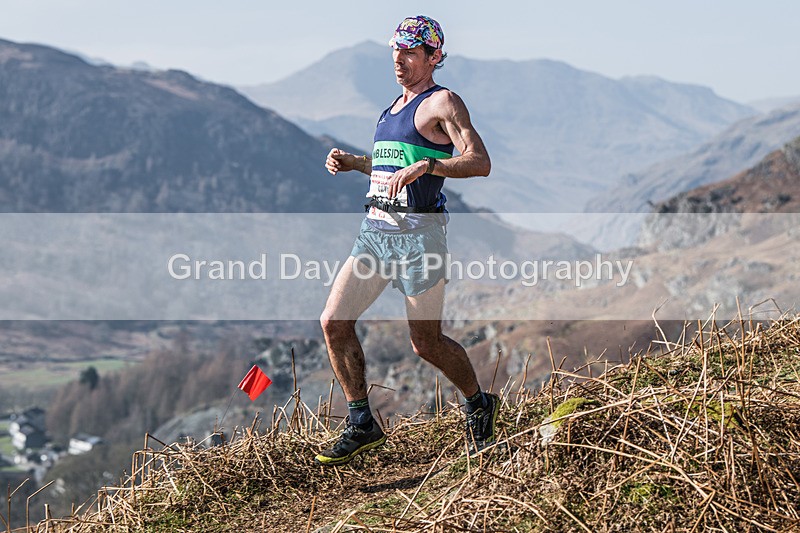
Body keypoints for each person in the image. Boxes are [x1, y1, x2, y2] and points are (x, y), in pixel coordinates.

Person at [315, 15, 496, 466]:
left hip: (421, 239)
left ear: (434, 57)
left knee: (426, 343)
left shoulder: (444, 103)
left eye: (410, 52)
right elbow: (391, 164)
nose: (399, 59)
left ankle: (478, 403)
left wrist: (430, 168)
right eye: (395, 50)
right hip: (375, 235)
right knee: (333, 322)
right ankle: (361, 421)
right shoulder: (392, 106)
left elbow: (480, 162)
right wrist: (353, 161)